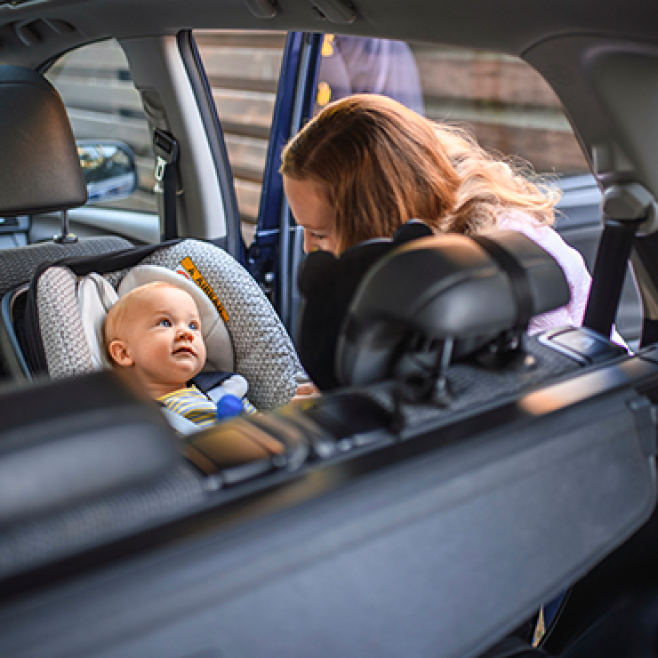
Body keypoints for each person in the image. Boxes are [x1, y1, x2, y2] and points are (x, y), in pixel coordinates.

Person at [280, 93, 593, 336]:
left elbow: (528, 388)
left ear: (379, 217)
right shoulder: (406, 253)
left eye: (320, 234)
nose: (308, 247)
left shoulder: (503, 263)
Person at [104, 281, 255, 429]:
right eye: (165, 323)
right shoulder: (135, 422)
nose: (187, 333)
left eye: (193, 326)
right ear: (124, 353)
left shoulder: (226, 388)